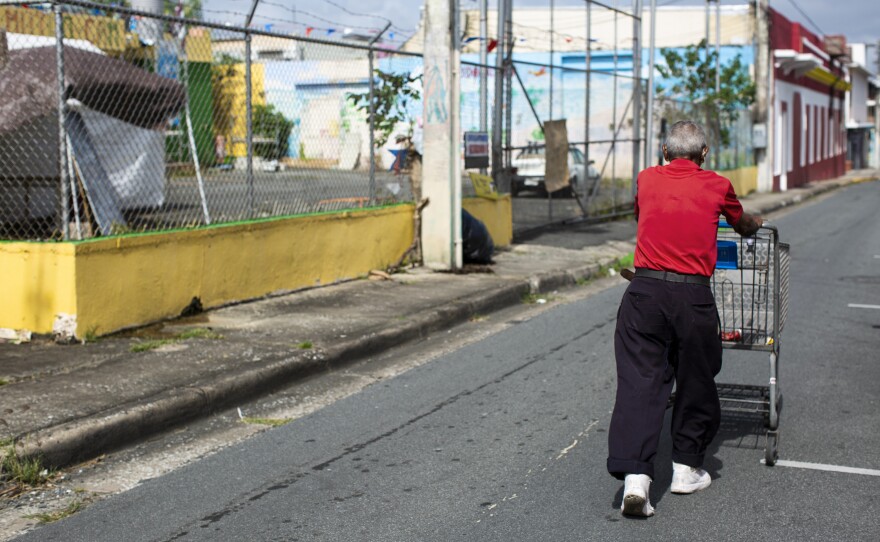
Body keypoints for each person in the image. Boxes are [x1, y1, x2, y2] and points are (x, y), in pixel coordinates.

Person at [607, 120, 763, 517]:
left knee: (640, 382)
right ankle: (685, 469)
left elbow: (645, 213)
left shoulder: (646, 178)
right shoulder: (717, 184)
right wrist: (752, 223)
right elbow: (741, 223)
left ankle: (637, 481)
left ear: (663, 151)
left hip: (644, 293)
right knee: (695, 376)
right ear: (704, 153)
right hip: (692, 296)